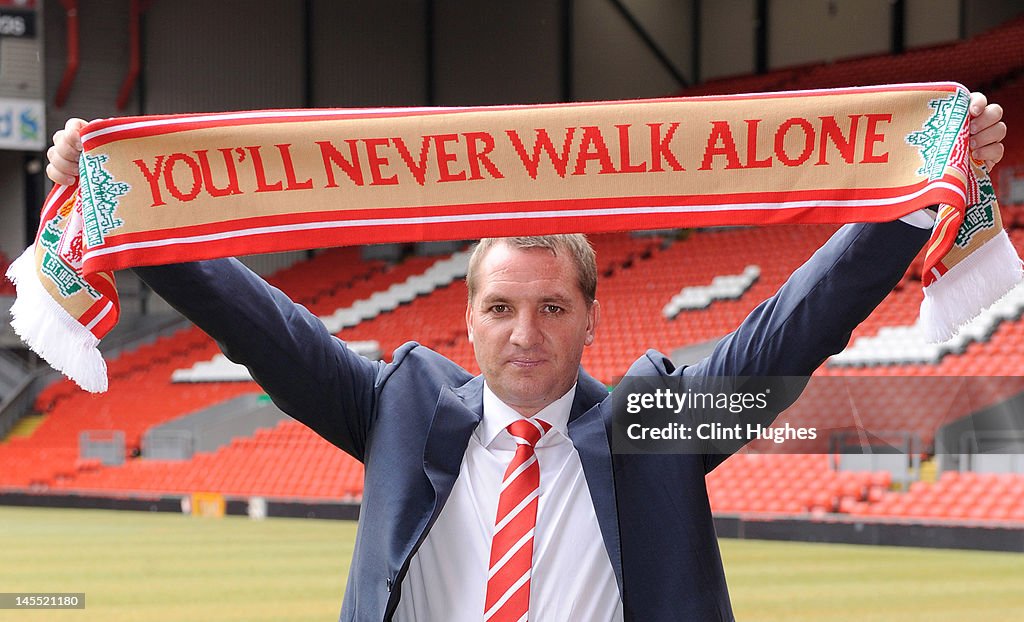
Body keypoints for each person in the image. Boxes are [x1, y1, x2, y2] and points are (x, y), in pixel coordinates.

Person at [46, 94, 1006, 621]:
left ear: (593, 318)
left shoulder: (657, 426)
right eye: (501, 307)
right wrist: (125, 200)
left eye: (552, 307)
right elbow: (258, 323)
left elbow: (798, 324)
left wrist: (923, 187)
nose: (525, 332)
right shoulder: (398, 407)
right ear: (468, 319)